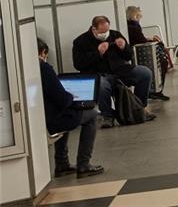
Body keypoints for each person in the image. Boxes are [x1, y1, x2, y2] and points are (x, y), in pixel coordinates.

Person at [73, 16, 155, 128]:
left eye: (107, 31)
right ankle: (107, 116)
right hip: (97, 73)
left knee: (145, 73)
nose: (105, 34)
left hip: (120, 70)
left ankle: (139, 108)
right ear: (94, 29)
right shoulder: (80, 41)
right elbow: (78, 64)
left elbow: (128, 55)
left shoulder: (115, 35)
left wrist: (124, 47)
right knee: (101, 85)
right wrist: (98, 53)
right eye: (102, 32)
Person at [38, 39, 104, 179]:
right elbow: (62, 99)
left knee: (66, 113)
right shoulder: (44, 68)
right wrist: (71, 96)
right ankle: (84, 164)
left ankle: (62, 163)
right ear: (43, 52)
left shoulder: (25, 69)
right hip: (51, 120)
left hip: (40, 117)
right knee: (92, 115)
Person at [126, 6, 170, 101]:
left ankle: (152, 92)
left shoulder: (128, 26)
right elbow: (140, 39)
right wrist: (148, 39)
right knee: (158, 67)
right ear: (135, 15)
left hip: (135, 54)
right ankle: (155, 91)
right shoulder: (134, 27)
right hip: (140, 53)